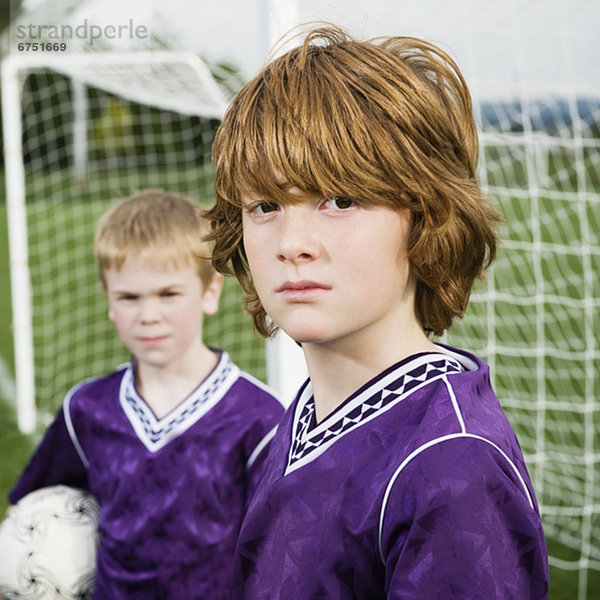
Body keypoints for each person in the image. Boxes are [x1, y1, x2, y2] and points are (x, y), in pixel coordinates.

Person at [206, 25, 549, 600]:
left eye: (339, 200)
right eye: (265, 205)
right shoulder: (317, 412)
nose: (293, 241)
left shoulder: (452, 469)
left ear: (426, 214)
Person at [8, 190, 284, 599]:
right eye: (129, 297)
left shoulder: (259, 417)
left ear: (210, 292)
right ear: (109, 300)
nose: (148, 315)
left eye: (168, 294)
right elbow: (29, 514)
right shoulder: (87, 410)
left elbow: (281, 551)